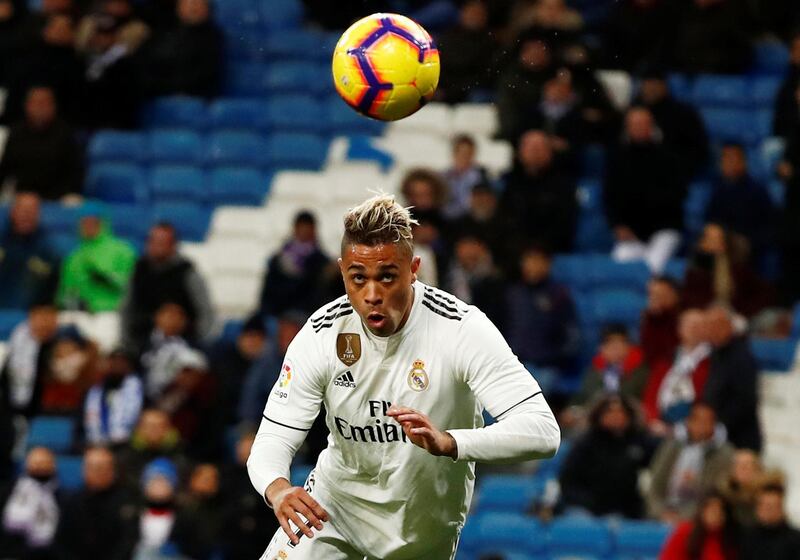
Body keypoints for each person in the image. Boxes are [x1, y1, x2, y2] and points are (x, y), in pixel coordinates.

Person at [248, 194, 560, 559]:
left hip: (420, 534)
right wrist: (279, 489)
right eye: (358, 278)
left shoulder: (461, 329)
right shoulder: (322, 333)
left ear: (413, 269)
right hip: (334, 509)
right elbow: (273, 437)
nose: (372, 294)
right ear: (342, 270)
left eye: (387, 277)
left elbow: (542, 431)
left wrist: (450, 442)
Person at [604, 106, 687, 273]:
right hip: (631, 234)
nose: (639, 128)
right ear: (627, 128)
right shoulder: (617, 160)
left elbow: (677, 195)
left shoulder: (669, 158)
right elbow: (609, 197)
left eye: (643, 123)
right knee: (618, 266)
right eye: (634, 124)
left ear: (652, 126)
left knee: (652, 268)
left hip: (664, 229)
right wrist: (618, 225)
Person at [121, 222, 215, 355]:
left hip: (184, 344)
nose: (157, 246)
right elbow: (127, 309)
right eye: (153, 241)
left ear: (173, 244)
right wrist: (128, 344)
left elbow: (205, 311)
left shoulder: (186, 271)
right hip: (142, 343)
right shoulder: (138, 270)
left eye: (162, 242)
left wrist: (199, 344)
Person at [559, 394, 655, 518]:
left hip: (624, 510)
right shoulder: (585, 443)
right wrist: (587, 502)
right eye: (609, 412)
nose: (616, 417)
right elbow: (567, 481)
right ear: (599, 415)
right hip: (585, 507)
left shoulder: (641, 443)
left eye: (621, 412)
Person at [505, 245, 580, 393]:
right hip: (514, 365)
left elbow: (572, 335)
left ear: (547, 264)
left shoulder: (559, 295)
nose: (532, 266)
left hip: (547, 366)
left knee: (530, 396)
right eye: (528, 261)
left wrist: (555, 358)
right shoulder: (512, 294)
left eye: (537, 261)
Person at [646, 402, 734, 522]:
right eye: (697, 420)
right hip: (663, 512)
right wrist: (660, 512)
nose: (701, 425)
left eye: (706, 421)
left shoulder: (724, 454)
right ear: (688, 421)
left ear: (714, 424)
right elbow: (655, 484)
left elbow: (715, 494)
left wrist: (682, 516)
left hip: (696, 517)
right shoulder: (671, 446)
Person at [499, 130, 578, 253]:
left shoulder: (563, 185)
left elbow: (564, 226)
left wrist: (538, 250)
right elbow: (505, 221)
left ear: (550, 152)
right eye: (530, 148)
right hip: (515, 251)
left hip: (550, 252)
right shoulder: (509, 183)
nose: (535, 152)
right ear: (520, 152)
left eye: (540, 148)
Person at [0, 86, 83, 200]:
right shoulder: (16, 132)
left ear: (54, 107)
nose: (40, 108)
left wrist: (51, 196)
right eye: (36, 103)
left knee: (73, 201)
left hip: (58, 195)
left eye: (44, 103)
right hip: (22, 195)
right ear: (27, 106)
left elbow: (74, 174)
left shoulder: (65, 134)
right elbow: (5, 168)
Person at [56, 447, 137, 559]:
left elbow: (127, 543)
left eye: (101, 468)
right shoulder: (72, 501)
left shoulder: (126, 503)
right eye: (90, 467)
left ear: (112, 471)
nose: (96, 473)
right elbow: (61, 542)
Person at [57, 203, 137, 313]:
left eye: (93, 222)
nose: (89, 226)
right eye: (85, 222)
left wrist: (107, 279)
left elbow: (133, 286)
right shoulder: (73, 258)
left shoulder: (122, 251)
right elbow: (64, 294)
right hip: (80, 313)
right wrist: (73, 302)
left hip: (112, 312)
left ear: (103, 223)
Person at [704, 306, 762, 451]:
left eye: (717, 325)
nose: (712, 330)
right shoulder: (714, 353)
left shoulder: (741, 357)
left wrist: (718, 426)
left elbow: (745, 399)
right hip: (715, 436)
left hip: (739, 441)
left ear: (729, 326)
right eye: (709, 325)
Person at [682, 224, 771, 318]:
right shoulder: (693, 272)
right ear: (701, 243)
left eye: (717, 238)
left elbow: (763, 293)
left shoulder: (738, 269)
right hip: (704, 317)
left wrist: (742, 314)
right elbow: (688, 300)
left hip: (737, 318)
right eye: (709, 238)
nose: (713, 242)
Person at [635, 68, 709, 181]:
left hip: (672, 178)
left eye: (654, 84)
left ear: (664, 86)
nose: (650, 89)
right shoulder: (633, 112)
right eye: (647, 84)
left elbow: (698, 151)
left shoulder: (683, 114)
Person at [139, 0, 222, 98]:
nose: (193, 8)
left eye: (197, 4)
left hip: (184, 92)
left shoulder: (211, 37)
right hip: (154, 87)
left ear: (207, 9)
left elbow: (203, 74)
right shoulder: (165, 31)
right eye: (188, 4)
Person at [705, 143, 776, 256]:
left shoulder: (757, 191)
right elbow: (712, 219)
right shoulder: (718, 190)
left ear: (743, 161)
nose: (729, 162)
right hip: (722, 242)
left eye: (734, 158)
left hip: (750, 245)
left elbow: (770, 227)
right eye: (726, 158)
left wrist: (748, 241)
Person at [643, 309, 712, 426]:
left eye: (699, 325)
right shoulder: (665, 361)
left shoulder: (713, 361)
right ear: (679, 329)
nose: (693, 329)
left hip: (696, 425)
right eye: (689, 325)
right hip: (661, 424)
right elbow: (650, 397)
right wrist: (653, 421)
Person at [259, 211, 333, 319]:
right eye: (301, 228)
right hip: (277, 315)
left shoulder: (322, 263)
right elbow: (268, 293)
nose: (304, 232)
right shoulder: (278, 260)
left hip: (307, 316)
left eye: (307, 229)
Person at [219, 431, 277, 559]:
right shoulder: (226, 475)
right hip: (230, 541)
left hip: (260, 541)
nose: (242, 451)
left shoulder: (268, 477)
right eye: (240, 446)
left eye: (247, 447)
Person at [79, 13, 142, 129]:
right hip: (89, 120)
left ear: (115, 36)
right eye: (99, 34)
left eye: (107, 34)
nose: (102, 39)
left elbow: (125, 98)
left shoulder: (126, 62)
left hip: (115, 122)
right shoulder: (88, 59)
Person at [0, 192, 60, 309]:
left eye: (31, 211)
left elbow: (53, 294)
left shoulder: (48, 254)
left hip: (28, 321)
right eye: (23, 210)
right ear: (12, 212)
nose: (26, 215)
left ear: (39, 215)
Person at [0, 446, 60, 560]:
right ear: (26, 465)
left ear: (53, 465)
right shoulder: (9, 491)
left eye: (44, 463)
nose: (39, 467)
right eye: (35, 463)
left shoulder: (61, 496)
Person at [570, 324, 650, 408]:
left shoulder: (641, 372)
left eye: (620, 344)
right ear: (601, 349)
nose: (615, 349)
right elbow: (582, 397)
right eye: (610, 344)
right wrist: (572, 409)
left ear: (628, 347)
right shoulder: (593, 371)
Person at [0, 305, 59, 418]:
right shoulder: (17, 337)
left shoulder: (60, 344)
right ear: (31, 317)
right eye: (42, 318)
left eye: (49, 319)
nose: (45, 324)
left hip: (46, 411)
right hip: (10, 405)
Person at [496, 29, 555, 142]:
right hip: (519, 132)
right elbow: (508, 113)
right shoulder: (511, 78)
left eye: (540, 50)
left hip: (553, 134)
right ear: (522, 54)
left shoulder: (557, 76)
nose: (536, 55)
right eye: (532, 51)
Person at [436, 0, 497, 103]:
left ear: (485, 17)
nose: (475, 16)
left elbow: (485, 76)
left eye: (479, 13)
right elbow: (440, 68)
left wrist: (456, 91)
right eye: (471, 12)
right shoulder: (447, 38)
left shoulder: (490, 43)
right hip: (446, 89)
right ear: (462, 14)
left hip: (472, 91)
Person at [82, 348, 143, 448]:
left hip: (128, 444)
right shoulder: (96, 389)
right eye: (114, 361)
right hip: (96, 442)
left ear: (130, 365)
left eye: (122, 362)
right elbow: (85, 418)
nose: (117, 365)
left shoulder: (138, 387)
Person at [672, 0, 753, 75]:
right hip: (686, 75)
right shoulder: (683, 14)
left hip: (721, 78)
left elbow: (742, 54)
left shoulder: (733, 15)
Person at [117, 408, 188, 492]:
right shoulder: (125, 454)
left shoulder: (181, 451)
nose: (154, 430)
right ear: (139, 429)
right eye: (149, 426)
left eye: (160, 426)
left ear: (168, 429)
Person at [444, 236, 506, 329]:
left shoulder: (494, 279)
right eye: (464, 245)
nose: (468, 251)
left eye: (472, 245)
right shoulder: (448, 273)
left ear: (482, 249)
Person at [601, 0, 680, 74]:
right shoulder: (618, 11)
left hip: (662, 72)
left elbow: (665, 50)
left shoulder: (669, 12)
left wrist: (653, 74)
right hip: (621, 69)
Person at [659, 491, 741, 560]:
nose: (716, 514)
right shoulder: (685, 532)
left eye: (720, 510)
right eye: (711, 509)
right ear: (701, 511)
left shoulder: (730, 537)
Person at [39, 326, 98, 416]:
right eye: (60, 345)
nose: (63, 349)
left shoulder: (90, 372)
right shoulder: (48, 372)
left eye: (68, 344)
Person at [140, 302, 192, 400]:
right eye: (170, 315)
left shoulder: (188, 346)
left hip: (172, 398)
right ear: (158, 317)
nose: (174, 320)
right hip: (143, 396)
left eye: (179, 317)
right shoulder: (141, 342)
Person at [171, 463, 223, 560]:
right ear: (193, 480)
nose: (208, 483)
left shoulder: (223, 511)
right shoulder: (181, 508)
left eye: (213, 479)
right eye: (204, 479)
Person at [131, 458, 180, 560]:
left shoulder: (184, 518)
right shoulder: (132, 516)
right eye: (153, 481)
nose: (158, 486)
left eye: (164, 481)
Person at [740, 482, 800, 560]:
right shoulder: (747, 536)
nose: (766, 511)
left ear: (781, 508)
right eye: (763, 505)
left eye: (771, 506)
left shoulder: (795, 539)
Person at [442, 135, 489, 218]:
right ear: (454, 153)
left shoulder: (481, 177)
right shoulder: (444, 177)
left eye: (468, 153)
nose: (464, 157)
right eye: (461, 153)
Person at [640, 276, 682, 367]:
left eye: (660, 294)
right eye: (652, 295)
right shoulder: (650, 320)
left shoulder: (684, 320)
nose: (655, 299)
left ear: (674, 295)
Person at [718, 449, 765, 527]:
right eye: (739, 465)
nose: (743, 469)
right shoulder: (722, 495)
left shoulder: (766, 495)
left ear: (757, 469)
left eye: (747, 465)